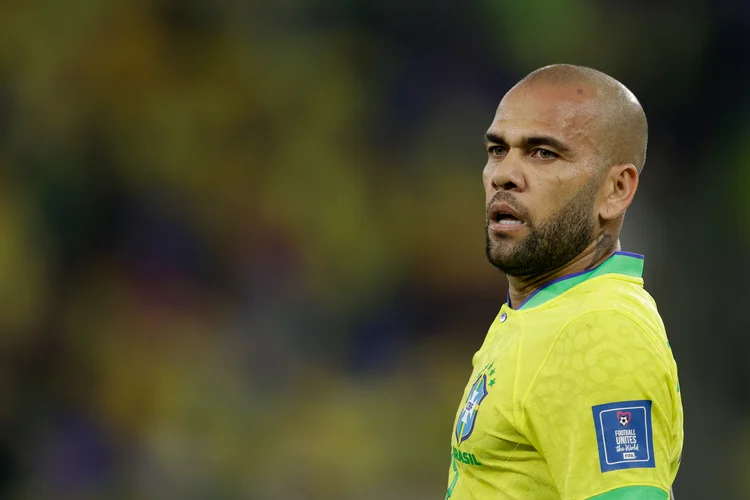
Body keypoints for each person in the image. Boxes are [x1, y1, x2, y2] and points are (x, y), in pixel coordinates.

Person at [446, 64, 683, 500]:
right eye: (498, 150)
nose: (504, 174)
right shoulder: (548, 309)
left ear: (616, 189)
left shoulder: (598, 335)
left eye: (543, 153)